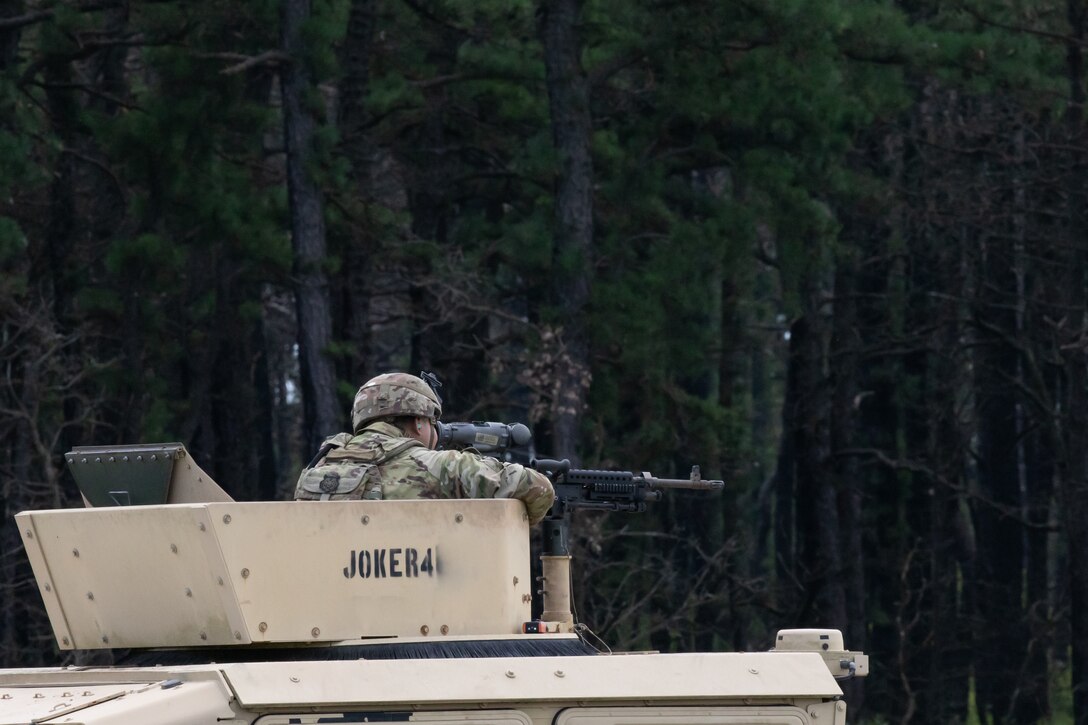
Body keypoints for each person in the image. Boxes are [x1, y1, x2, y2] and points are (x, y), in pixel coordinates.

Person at [294, 372, 555, 525]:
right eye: (433, 423)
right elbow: (539, 488)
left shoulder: (320, 467)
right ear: (419, 422)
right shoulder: (441, 466)